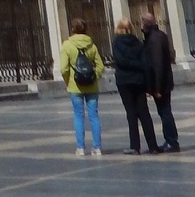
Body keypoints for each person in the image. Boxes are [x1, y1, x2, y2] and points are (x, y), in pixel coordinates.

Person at [109, 17, 160, 155]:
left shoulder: (117, 43)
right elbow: (146, 65)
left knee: (131, 114)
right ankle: (153, 146)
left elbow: (120, 61)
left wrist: (131, 65)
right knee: (144, 114)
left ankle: (135, 146)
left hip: (124, 81)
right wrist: (149, 85)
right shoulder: (138, 43)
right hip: (139, 80)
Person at [59, 18, 104, 158]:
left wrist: (68, 81)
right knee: (94, 116)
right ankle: (97, 148)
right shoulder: (91, 45)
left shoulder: (67, 45)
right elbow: (100, 66)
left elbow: (63, 68)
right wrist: (94, 77)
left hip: (75, 86)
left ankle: (80, 148)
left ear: (72, 29)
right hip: (91, 86)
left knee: (78, 116)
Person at [142, 8, 180, 152]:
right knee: (165, 111)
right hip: (164, 82)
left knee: (165, 112)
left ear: (145, 25)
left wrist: (156, 88)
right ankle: (170, 140)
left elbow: (157, 64)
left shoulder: (154, 39)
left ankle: (171, 141)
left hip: (161, 84)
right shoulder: (158, 35)